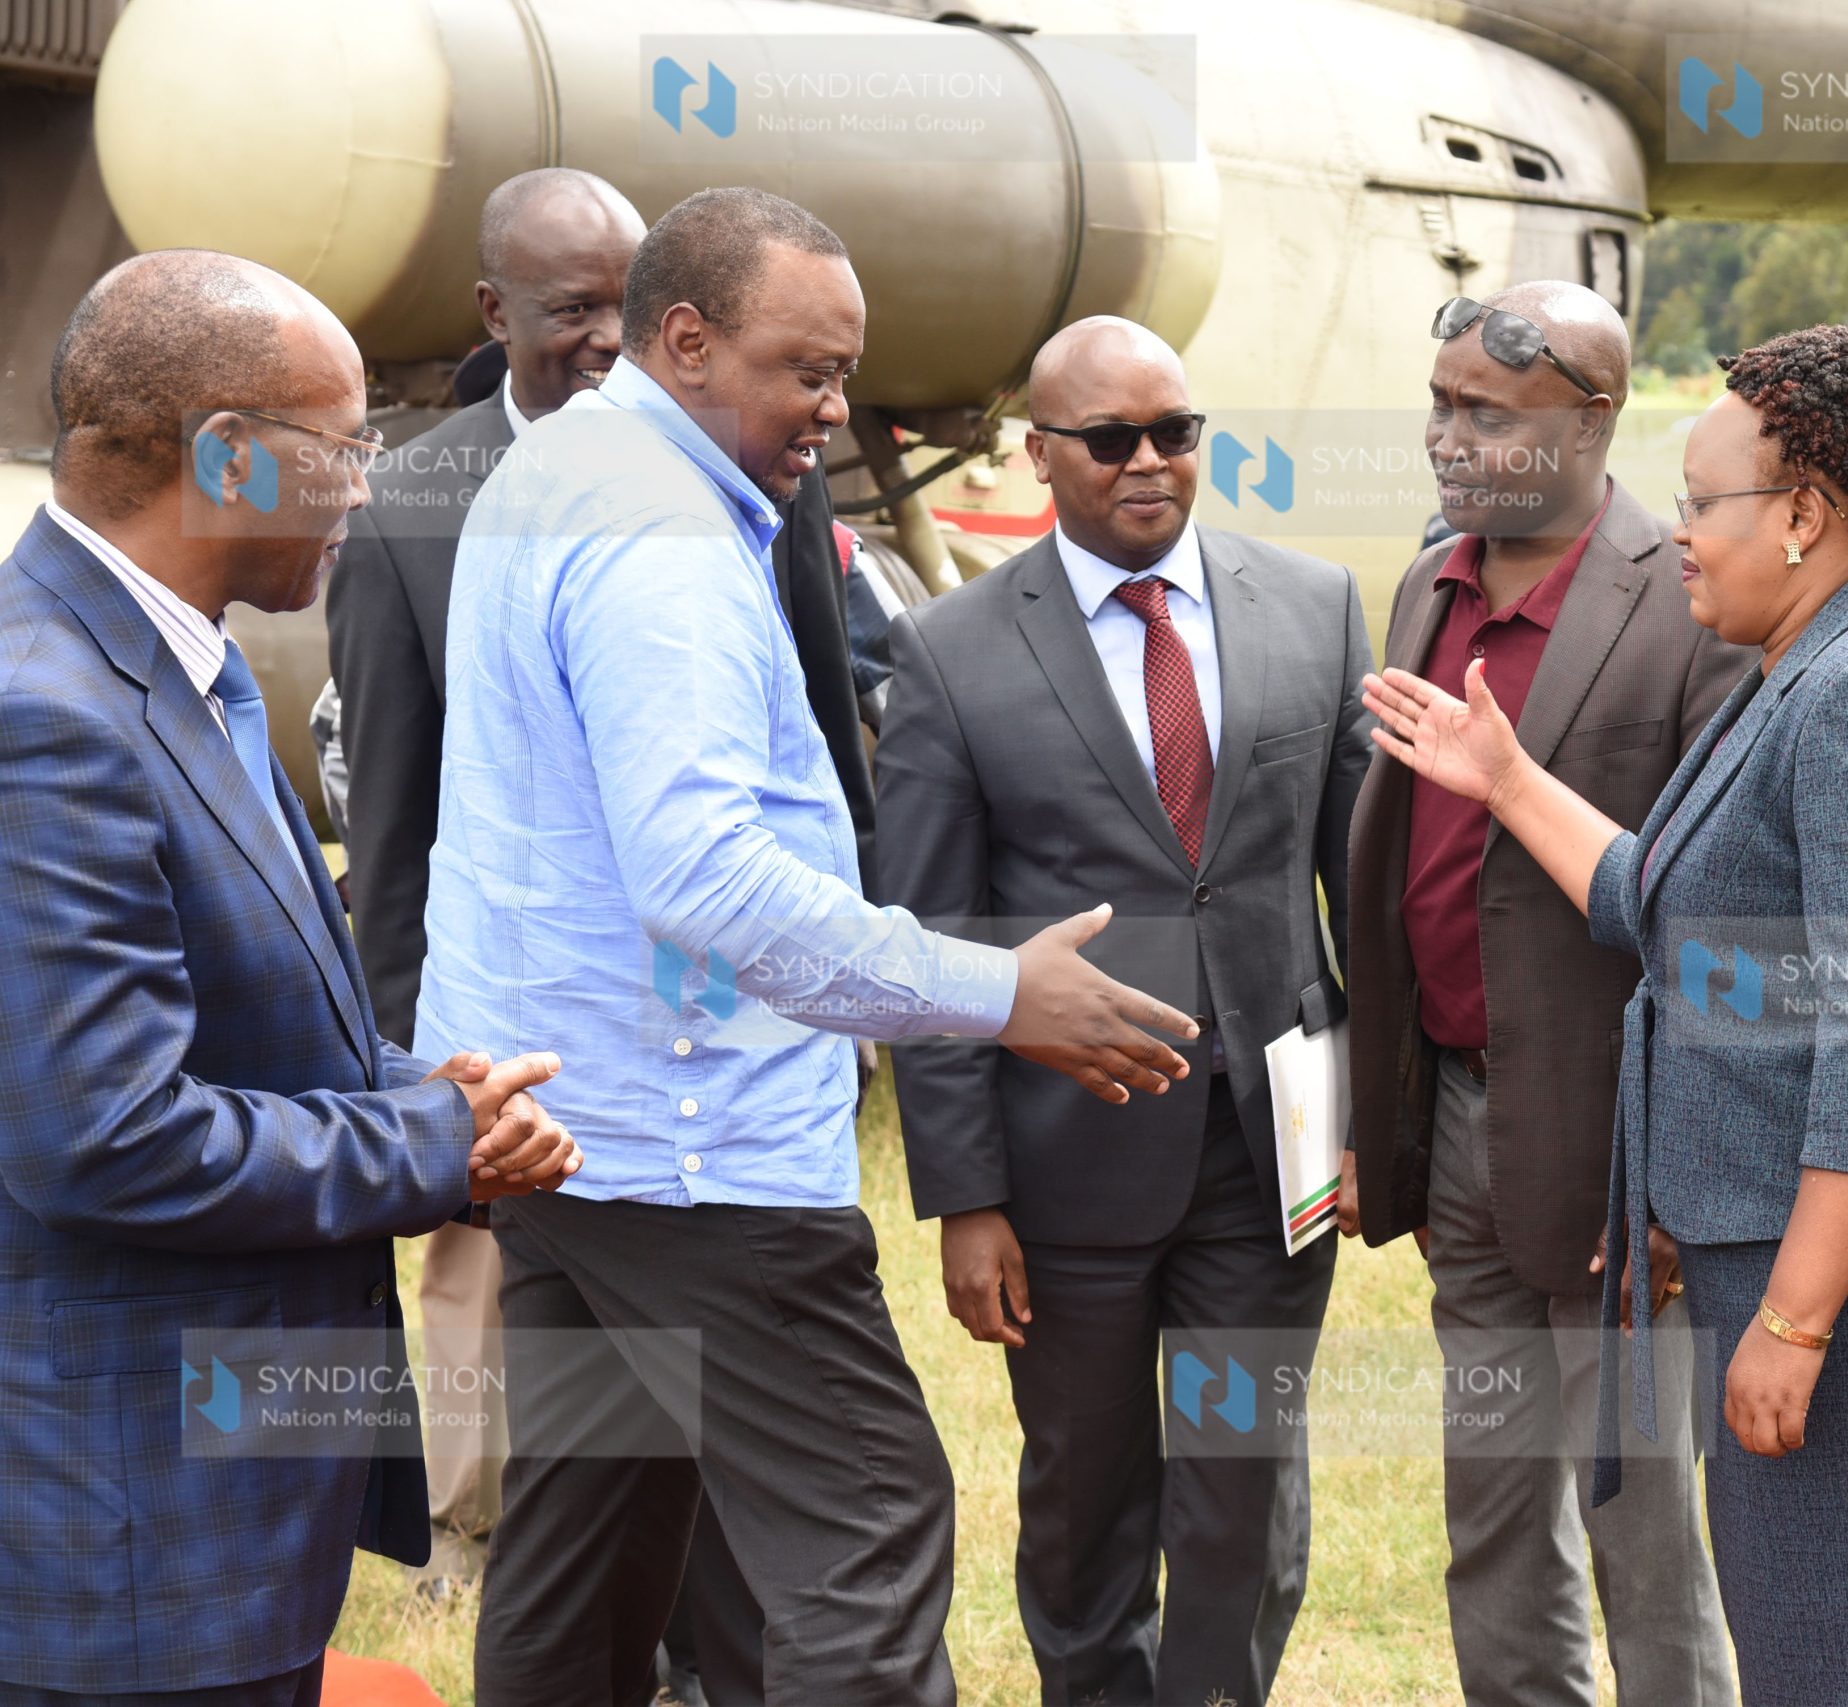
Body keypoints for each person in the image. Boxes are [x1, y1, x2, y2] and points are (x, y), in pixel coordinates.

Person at [419, 190, 1198, 1707]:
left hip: (564, 1133)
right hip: (694, 1156)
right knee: (868, 1528)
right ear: (687, 340)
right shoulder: (659, 539)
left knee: (589, 1553)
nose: (834, 408)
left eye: (845, 373)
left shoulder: (568, 462)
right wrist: (998, 991)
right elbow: (705, 878)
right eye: (808, 372)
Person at [1365, 325, 1848, 1707]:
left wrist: (1794, 1325)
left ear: (1803, 515)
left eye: (1702, 502)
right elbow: (1656, 898)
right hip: (1816, 1260)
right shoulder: (1793, 670)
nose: (1676, 532)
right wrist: (1505, 780)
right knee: (1833, 1644)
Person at [0, 249, 579, 1706]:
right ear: (227, 456)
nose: (366, 488)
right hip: (131, 1550)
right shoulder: (47, 718)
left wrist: (436, 1102)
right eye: (344, 448)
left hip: (224, 1510)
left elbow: (253, 1030)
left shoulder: (178, 671)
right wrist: (428, 1141)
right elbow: (107, 1137)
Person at [319, 165, 814, 1700]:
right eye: (570, 309)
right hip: (535, 1070)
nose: (605, 337)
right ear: (494, 313)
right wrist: (426, 1076)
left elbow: (814, 776)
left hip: (721, 1062)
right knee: (571, 1435)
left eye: (624, 303)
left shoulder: (743, 462)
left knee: (719, 1436)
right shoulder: (419, 505)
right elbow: (395, 818)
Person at [874, 315, 1373, 1707]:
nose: (1148, 461)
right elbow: (932, 946)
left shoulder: (1316, 605)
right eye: (1109, 440)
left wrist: (1372, 1116)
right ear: (1040, 454)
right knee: (1084, 1501)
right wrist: (967, 1198)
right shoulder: (951, 654)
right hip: (1067, 1169)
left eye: (1174, 432)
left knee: (1241, 1493)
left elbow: (1360, 891)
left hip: (1271, 1154)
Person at [1342, 281, 1747, 1707]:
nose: (1449, 438)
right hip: (1457, 1115)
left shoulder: (1687, 602)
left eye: (1489, 415)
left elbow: (1719, 919)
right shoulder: (1429, 582)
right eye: (1440, 405)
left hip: (1619, 1139)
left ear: (1591, 421)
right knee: (1494, 1501)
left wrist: (1681, 1167)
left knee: (1643, 1521)